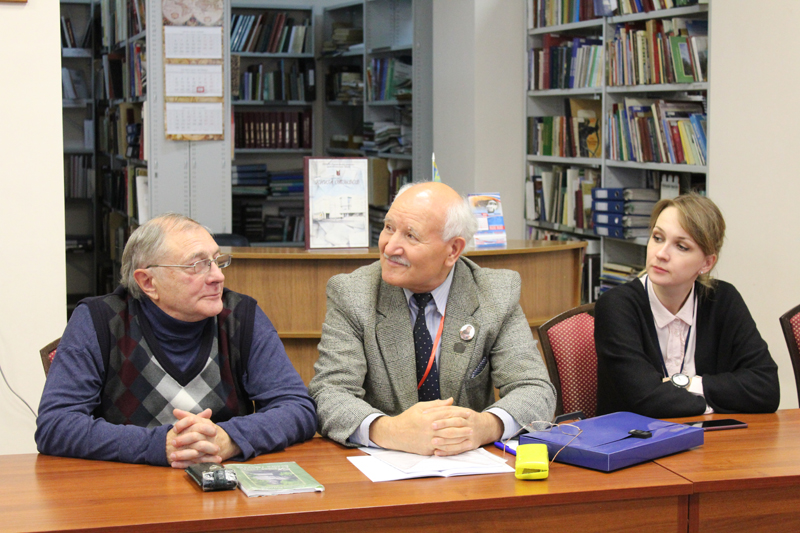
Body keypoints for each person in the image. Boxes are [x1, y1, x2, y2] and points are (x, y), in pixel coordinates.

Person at [36, 214, 316, 468]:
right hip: (127, 489)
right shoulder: (97, 320)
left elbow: (298, 408)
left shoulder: (242, 316)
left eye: (217, 261)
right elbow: (55, 425)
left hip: (222, 486)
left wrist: (229, 438)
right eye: (197, 265)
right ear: (148, 282)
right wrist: (159, 445)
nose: (218, 276)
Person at [308, 182, 556, 456]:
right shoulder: (352, 294)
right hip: (383, 463)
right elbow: (329, 393)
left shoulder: (495, 294)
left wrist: (485, 426)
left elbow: (535, 390)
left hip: (468, 465)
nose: (390, 246)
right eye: (389, 228)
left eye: (410, 236)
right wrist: (390, 430)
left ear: (453, 250)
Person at [595, 194, 779, 418]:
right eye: (657, 238)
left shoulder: (722, 299)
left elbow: (766, 388)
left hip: (710, 437)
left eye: (681, 246)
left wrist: (687, 384)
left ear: (707, 263)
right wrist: (712, 401)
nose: (661, 254)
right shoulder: (616, 306)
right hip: (634, 437)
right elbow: (645, 399)